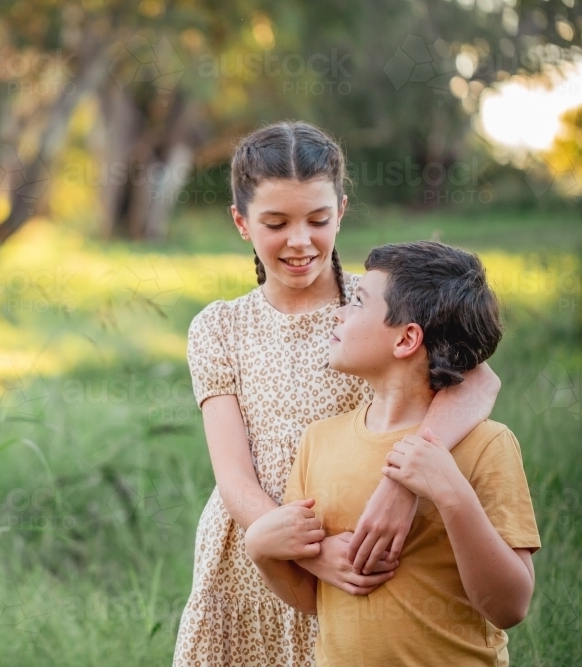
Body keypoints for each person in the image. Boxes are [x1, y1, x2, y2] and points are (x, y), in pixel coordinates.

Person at [173, 121, 502, 666]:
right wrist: (304, 550)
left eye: (318, 220)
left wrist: (402, 486)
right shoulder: (219, 327)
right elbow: (232, 476)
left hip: (361, 552)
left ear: (341, 212)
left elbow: (480, 382)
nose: (300, 241)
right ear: (241, 222)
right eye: (276, 223)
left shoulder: (378, 309)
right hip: (258, 556)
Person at [243, 240, 540, 666]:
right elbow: (316, 599)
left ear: (406, 339)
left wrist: (450, 492)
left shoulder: (485, 444)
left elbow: (510, 607)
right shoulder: (318, 441)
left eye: (360, 302)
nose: (339, 312)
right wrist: (263, 551)